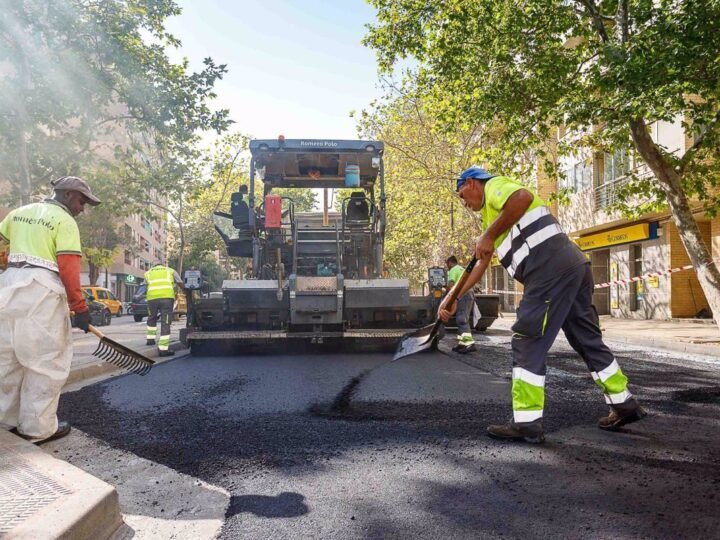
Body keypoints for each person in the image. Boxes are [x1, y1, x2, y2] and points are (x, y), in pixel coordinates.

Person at [439, 166, 645, 444]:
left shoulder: (495, 187)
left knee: (527, 339)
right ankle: (623, 403)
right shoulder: (493, 219)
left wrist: (488, 235)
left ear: (473, 183)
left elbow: (522, 196)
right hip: (573, 266)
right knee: (587, 339)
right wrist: (451, 298)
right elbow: (481, 264)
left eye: (462, 193)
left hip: (548, 269)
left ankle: (526, 422)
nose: (463, 202)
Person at [0, 176, 101, 444]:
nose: (82, 209)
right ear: (68, 195)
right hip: (41, 291)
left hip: (8, 288)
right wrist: (79, 307)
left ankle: (5, 421)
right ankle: (38, 429)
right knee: (45, 361)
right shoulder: (64, 221)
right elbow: (68, 267)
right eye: (81, 201)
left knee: (7, 359)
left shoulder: (19, 213)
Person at [144, 262, 183, 356]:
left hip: (152, 299)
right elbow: (180, 282)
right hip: (166, 298)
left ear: (154, 267)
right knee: (165, 322)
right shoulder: (170, 271)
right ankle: (163, 349)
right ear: (163, 266)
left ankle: (150, 339)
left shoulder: (147, 273)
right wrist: (187, 291)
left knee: (151, 318)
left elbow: (147, 285)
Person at [446, 255, 476, 353]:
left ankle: (469, 344)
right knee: (462, 318)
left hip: (463, 294)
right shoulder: (461, 269)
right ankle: (462, 344)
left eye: (447, 264)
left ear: (450, 263)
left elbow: (451, 286)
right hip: (469, 294)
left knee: (461, 319)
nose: (447, 267)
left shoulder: (453, 270)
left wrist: (448, 299)